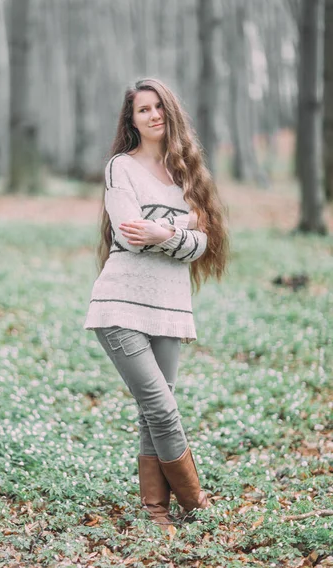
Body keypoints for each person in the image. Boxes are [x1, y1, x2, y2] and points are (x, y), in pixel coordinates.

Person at [84, 78, 229, 532]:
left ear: (170, 113)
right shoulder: (119, 168)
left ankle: (155, 510)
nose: (153, 115)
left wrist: (165, 231)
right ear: (132, 120)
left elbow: (202, 244)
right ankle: (195, 502)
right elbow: (130, 233)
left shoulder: (185, 173)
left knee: (156, 408)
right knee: (162, 408)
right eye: (142, 110)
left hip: (170, 306)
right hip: (119, 305)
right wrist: (181, 225)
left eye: (158, 107)